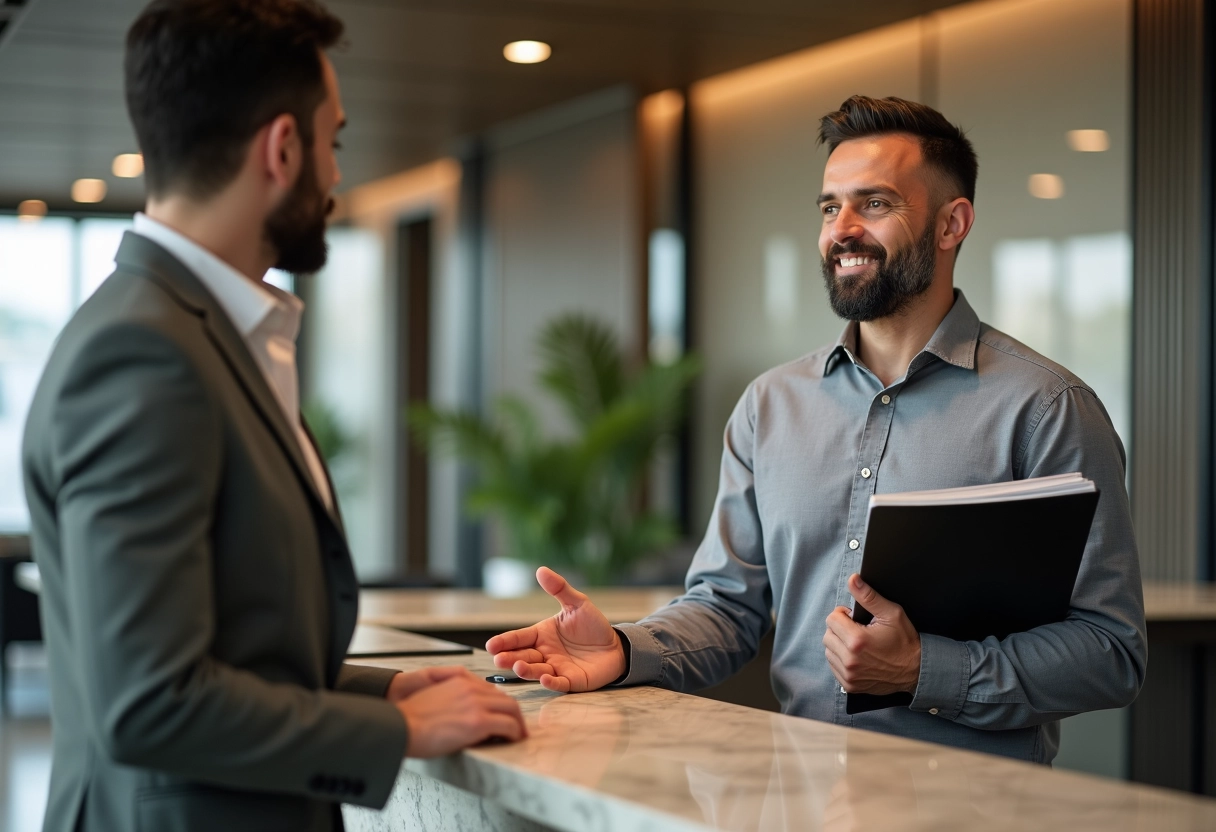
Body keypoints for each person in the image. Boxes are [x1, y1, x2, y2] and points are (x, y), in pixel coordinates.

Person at [488, 95, 1146, 764]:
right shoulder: (769, 405)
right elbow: (726, 607)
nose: (844, 229)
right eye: (831, 207)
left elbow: (1110, 650)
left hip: (974, 807)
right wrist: (627, 648)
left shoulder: (1046, 407)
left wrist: (925, 671)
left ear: (953, 223)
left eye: (876, 204)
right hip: (801, 794)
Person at [22, 2, 525, 830]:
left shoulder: (192, 333)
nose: (334, 174)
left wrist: (384, 688)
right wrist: (394, 730)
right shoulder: (144, 356)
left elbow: (230, 653)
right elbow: (149, 702)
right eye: (333, 142)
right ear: (282, 149)